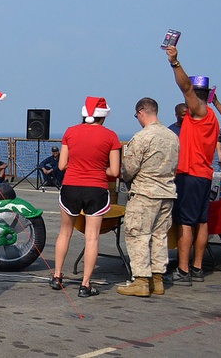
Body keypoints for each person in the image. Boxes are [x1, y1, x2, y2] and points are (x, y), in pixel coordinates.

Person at [49, 97, 121, 298]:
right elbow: (114, 171)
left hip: (71, 186)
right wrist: (98, 168)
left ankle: (56, 276)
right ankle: (86, 284)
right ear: (103, 117)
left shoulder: (70, 132)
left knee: (65, 232)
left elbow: (62, 165)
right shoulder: (111, 136)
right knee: (92, 237)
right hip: (96, 188)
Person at [166, 46, 219, 285]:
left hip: (190, 175)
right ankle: (197, 267)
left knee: (185, 223)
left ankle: (184, 270)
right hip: (204, 174)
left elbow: (185, 87)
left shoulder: (200, 112)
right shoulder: (213, 119)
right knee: (202, 221)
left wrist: (175, 63)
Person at [116, 97, 178, 297]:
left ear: (141, 112)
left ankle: (142, 280)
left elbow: (129, 169)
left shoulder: (142, 137)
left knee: (138, 235)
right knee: (160, 236)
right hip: (167, 192)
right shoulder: (172, 137)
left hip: (145, 193)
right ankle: (158, 279)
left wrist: (123, 174)